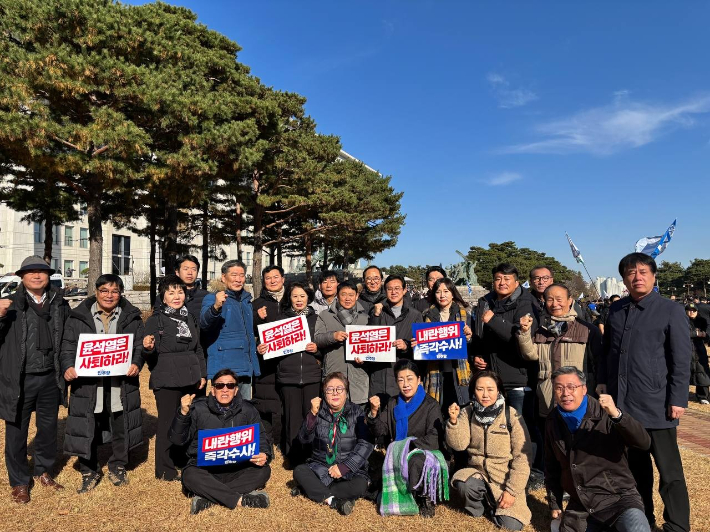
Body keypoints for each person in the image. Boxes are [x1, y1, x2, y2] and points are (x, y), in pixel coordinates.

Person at [597, 253, 690, 532]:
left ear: (653, 276)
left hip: (657, 402)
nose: (636, 277)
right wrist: (603, 383)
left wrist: (677, 398)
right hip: (624, 405)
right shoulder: (615, 310)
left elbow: (681, 358)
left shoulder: (670, 310)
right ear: (623, 279)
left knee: (669, 471)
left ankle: (677, 525)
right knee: (635, 470)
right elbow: (608, 353)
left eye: (642, 272)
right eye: (630, 273)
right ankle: (643, 520)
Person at [61, 274, 145, 493]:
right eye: (105, 291)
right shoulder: (77, 317)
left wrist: (136, 363)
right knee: (88, 424)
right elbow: (68, 346)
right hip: (88, 383)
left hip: (120, 382)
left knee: (120, 423)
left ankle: (118, 465)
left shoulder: (131, 317)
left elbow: (138, 346)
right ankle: (89, 469)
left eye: (115, 291)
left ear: (120, 293)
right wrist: (67, 367)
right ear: (96, 292)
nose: (110, 295)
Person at [546, 367, 651, 532]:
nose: (565, 393)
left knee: (637, 528)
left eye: (571, 387)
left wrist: (617, 415)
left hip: (618, 499)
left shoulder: (605, 413)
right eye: (559, 388)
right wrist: (555, 503)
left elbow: (643, 442)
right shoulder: (552, 420)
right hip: (582, 504)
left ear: (584, 389)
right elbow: (551, 466)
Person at [0, 256, 69, 503]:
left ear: (48, 275)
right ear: (22, 277)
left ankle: (43, 470)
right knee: (16, 432)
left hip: (51, 376)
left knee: (48, 429)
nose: (37, 276)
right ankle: (19, 482)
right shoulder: (11, 304)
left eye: (42, 272)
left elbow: (69, 336)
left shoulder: (59, 303)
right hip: (20, 379)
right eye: (31, 272)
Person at [168, 368, 272, 514]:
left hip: (238, 468)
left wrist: (264, 454)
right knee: (189, 476)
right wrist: (183, 414)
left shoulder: (248, 410)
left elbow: (261, 437)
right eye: (219, 385)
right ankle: (239, 500)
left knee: (264, 471)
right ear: (212, 390)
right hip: (205, 470)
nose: (225, 389)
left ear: (236, 390)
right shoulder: (197, 408)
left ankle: (209, 496)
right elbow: (177, 439)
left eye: (230, 386)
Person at [446, 371, 532, 530]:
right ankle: (479, 507)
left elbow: (523, 457)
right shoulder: (467, 412)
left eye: (490, 389)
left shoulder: (511, 415)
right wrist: (453, 422)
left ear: (498, 390)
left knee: (511, 525)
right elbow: (459, 445)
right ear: (473, 391)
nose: (485, 394)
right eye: (480, 389)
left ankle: (494, 503)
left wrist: (511, 491)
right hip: (478, 472)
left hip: (504, 478)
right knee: (465, 484)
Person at [143, 274, 207, 480]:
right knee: (167, 423)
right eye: (171, 293)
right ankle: (164, 469)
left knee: (186, 421)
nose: (176, 296)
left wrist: (202, 374)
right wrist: (148, 348)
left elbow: (198, 348)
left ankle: (182, 460)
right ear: (163, 297)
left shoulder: (190, 317)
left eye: (180, 291)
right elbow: (149, 354)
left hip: (191, 376)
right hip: (167, 378)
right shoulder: (156, 320)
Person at [368, 359, 446, 518]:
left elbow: (434, 438)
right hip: (398, 453)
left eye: (410, 379)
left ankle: (424, 498)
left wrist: (406, 446)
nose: (405, 384)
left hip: (424, 451)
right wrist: (374, 413)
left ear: (419, 380)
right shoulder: (393, 403)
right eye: (401, 380)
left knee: (415, 461)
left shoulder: (431, 405)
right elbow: (380, 431)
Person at [517, 282, 601, 424]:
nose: (555, 304)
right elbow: (530, 355)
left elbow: (598, 362)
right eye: (550, 299)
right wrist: (524, 333)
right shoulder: (540, 330)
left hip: (578, 397)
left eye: (559, 299)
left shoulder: (587, 330)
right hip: (548, 396)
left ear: (570, 300)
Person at [292, 372, 373, 515]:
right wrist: (312, 415)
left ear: (346, 392)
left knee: (360, 486)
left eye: (339, 389)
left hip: (349, 470)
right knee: (299, 471)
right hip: (321, 467)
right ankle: (333, 500)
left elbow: (365, 444)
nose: (335, 393)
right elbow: (304, 439)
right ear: (324, 393)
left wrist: (345, 467)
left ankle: (311, 490)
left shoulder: (357, 412)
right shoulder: (318, 411)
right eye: (330, 390)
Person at [200, 260, 259, 399]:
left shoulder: (246, 301)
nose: (238, 279)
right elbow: (204, 324)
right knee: (223, 413)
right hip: (224, 368)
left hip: (245, 364)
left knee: (244, 411)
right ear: (223, 277)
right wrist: (215, 307)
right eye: (234, 275)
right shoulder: (213, 298)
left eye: (242, 275)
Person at [276, 282, 322, 461]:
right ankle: (293, 456)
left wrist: (316, 349)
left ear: (308, 298)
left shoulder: (317, 318)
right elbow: (272, 346)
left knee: (311, 416)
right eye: (295, 296)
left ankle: (311, 455)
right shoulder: (281, 319)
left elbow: (324, 344)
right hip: (289, 375)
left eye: (302, 296)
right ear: (289, 298)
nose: (299, 300)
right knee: (291, 418)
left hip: (312, 375)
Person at [368, 274, 424, 403]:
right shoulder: (376, 311)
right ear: (385, 290)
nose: (393, 292)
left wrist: (406, 346)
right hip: (380, 374)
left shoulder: (415, 315)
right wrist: (376, 315)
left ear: (404, 290)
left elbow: (422, 348)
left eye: (397, 288)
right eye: (389, 289)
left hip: (404, 375)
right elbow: (369, 338)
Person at [420, 277, 474, 409]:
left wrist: (468, 338)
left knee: (461, 411)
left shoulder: (464, 315)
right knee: (437, 411)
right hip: (436, 372)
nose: (442, 295)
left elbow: (473, 345)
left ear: (452, 293)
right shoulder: (428, 315)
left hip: (458, 372)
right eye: (438, 292)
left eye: (446, 291)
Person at [314, 280, 370, 406]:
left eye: (351, 295)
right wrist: (333, 336)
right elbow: (317, 339)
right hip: (334, 373)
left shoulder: (365, 318)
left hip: (358, 376)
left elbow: (372, 347)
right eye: (343, 294)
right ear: (337, 296)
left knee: (358, 421)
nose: (347, 298)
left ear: (357, 296)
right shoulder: (325, 315)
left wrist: (365, 359)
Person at [253, 265, 287, 450]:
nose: (272, 281)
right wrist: (257, 319)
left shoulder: (293, 300)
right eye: (268, 278)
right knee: (264, 404)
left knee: (287, 403)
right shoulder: (256, 303)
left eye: (276, 277)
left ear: (283, 279)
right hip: (265, 362)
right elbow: (249, 332)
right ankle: (265, 444)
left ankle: (284, 441)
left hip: (288, 362)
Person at [154, 255, 208, 321]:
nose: (190, 273)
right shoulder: (164, 297)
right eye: (186, 269)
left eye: (194, 269)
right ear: (177, 272)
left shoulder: (206, 296)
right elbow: (156, 320)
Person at [686, 302, 710, 405]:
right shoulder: (682, 320)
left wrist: (705, 335)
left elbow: (707, 337)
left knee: (702, 373)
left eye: (694, 310)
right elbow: (680, 333)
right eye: (689, 310)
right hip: (686, 350)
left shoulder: (702, 321)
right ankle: (682, 395)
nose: (691, 312)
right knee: (685, 373)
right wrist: (695, 334)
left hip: (699, 350)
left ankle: (703, 396)